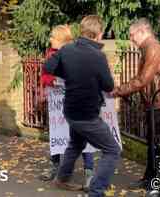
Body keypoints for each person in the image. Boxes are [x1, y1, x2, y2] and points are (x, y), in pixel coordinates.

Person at [43, 15, 121, 196]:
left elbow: (47, 67)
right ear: (98, 34)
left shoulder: (66, 49)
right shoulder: (98, 56)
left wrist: (69, 73)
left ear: (82, 31)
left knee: (75, 144)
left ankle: (61, 179)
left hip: (70, 112)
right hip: (87, 115)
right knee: (112, 149)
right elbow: (108, 86)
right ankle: (96, 190)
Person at [111, 18, 160, 189]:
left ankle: (157, 184)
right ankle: (149, 178)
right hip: (156, 105)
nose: (131, 39)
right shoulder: (147, 48)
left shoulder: (153, 48)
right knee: (153, 144)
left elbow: (142, 80)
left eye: (132, 35)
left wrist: (119, 91)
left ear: (142, 31)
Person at [38, 25, 94, 190]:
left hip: (76, 101)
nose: (50, 39)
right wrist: (54, 81)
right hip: (57, 102)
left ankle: (89, 172)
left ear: (61, 39)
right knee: (56, 133)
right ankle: (55, 167)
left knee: (83, 135)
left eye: (52, 37)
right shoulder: (51, 53)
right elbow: (45, 76)